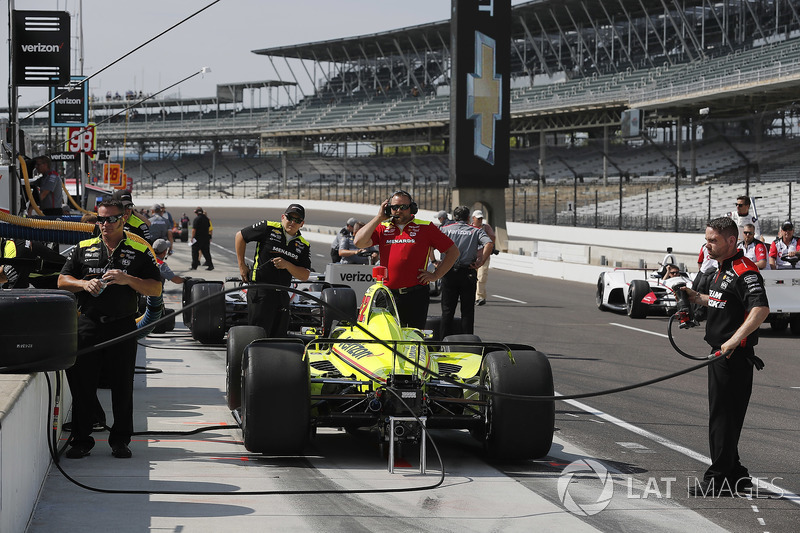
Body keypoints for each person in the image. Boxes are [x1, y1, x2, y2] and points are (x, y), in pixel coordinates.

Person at [58, 199, 162, 459]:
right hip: (88, 324)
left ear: (123, 218)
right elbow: (61, 280)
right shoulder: (83, 247)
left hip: (122, 326)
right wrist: (83, 284)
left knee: (122, 385)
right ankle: (81, 440)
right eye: (100, 219)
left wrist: (128, 279)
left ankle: (120, 440)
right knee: (83, 386)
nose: (104, 224)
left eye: (110, 219)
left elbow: (155, 288)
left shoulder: (139, 249)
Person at [682, 217, 769, 497]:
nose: (707, 245)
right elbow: (722, 300)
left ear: (731, 241)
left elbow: (761, 309)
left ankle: (719, 478)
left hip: (733, 356)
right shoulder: (721, 269)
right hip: (720, 354)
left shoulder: (746, 271)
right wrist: (697, 297)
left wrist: (732, 340)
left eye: (713, 240)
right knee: (725, 418)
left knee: (722, 419)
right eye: (706, 239)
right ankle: (736, 474)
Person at [354, 191, 459, 329]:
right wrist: (379, 217)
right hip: (387, 294)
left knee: (414, 337)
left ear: (412, 208)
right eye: (395, 207)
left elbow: (453, 251)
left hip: (415, 294)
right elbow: (359, 242)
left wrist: (436, 275)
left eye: (403, 207)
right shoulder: (383, 228)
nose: (399, 210)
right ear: (388, 209)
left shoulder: (426, 227)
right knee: (385, 335)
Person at [234, 204, 311, 336]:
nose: (292, 222)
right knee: (259, 335)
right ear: (283, 217)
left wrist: (287, 265)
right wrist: (242, 265)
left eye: (297, 220)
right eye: (289, 217)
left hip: (283, 294)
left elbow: (305, 275)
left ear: (302, 224)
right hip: (261, 290)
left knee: (279, 338)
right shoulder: (268, 227)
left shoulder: (304, 244)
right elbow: (240, 236)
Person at [439, 206, 493, 337]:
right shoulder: (474, 230)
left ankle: (442, 342)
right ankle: (468, 342)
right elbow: (489, 243)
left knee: (447, 311)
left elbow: (430, 244)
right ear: (468, 218)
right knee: (467, 311)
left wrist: (435, 261)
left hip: (448, 271)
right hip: (467, 272)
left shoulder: (444, 229)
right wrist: (481, 261)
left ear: (454, 217)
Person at [471, 210, 496, 306]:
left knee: (481, 277)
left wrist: (491, 247)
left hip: (483, 257)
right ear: (473, 218)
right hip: (472, 257)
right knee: (473, 278)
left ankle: (479, 297)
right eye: (478, 218)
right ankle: (479, 295)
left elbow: (493, 237)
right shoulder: (469, 227)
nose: (480, 220)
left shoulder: (486, 227)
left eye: (481, 218)